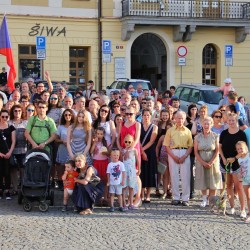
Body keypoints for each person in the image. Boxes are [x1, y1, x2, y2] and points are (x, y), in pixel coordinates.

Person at [219, 112, 247, 217]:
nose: (231, 122)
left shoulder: (241, 134)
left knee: (239, 187)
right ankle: (232, 207)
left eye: (233, 121)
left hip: (237, 164)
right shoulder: (224, 133)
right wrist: (223, 158)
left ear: (236, 121)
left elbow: (244, 151)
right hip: (225, 163)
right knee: (229, 186)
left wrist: (234, 158)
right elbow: (220, 147)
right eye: (229, 120)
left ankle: (243, 209)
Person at [164, 111, 193, 206]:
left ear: (184, 119)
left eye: (182, 118)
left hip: (185, 152)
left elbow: (190, 146)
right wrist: (173, 156)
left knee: (186, 176)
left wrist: (184, 156)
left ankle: (185, 198)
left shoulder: (188, 131)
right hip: (173, 152)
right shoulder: (170, 131)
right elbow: (167, 146)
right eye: (178, 118)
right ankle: (175, 197)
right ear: (175, 119)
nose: (180, 120)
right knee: (174, 176)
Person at [194, 117, 222, 207]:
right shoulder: (197, 137)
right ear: (202, 125)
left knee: (213, 181)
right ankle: (204, 199)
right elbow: (195, 151)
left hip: (213, 160)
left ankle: (213, 201)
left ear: (211, 124)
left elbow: (217, 150)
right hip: (201, 159)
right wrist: (202, 162)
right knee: (203, 180)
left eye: (208, 124)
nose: (206, 126)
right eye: (204, 124)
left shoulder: (215, 135)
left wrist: (211, 161)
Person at [117, 106, 142, 206]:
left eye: (130, 114)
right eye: (127, 114)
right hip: (123, 151)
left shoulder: (137, 124)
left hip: (133, 151)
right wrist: (120, 149)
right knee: (125, 175)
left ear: (135, 113)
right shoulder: (122, 123)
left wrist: (128, 149)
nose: (128, 116)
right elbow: (118, 138)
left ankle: (137, 197)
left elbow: (136, 139)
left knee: (135, 174)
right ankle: (127, 199)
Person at [9, 104, 28, 194]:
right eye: (15, 111)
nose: (17, 113)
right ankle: (15, 188)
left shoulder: (25, 123)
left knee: (23, 168)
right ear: (12, 112)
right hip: (11, 149)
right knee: (13, 168)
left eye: (19, 111)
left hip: (23, 149)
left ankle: (23, 187)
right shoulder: (9, 122)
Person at [140, 108, 158, 203]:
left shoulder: (154, 127)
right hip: (140, 151)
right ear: (142, 116)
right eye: (144, 115)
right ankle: (141, 194)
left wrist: (142, 150)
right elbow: (137, 140)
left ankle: (148, 195)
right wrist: (141, 152)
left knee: (150, 172)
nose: (146, 117)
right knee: (142, 172)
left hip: (150, 152)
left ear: (151, 116)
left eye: (148, 115)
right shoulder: (139, 125)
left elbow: (151, 141)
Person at [55, 109, 75, 189]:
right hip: (62, 147)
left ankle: (70, 182)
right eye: (66, 115)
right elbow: (56, 139)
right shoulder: (60, 126)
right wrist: (62, 141)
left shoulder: (74, 126)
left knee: (71, 166)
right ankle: (60, 182)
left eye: (69, 115)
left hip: (72, 147)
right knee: (61, 166)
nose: (67, 116)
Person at [90, 127, 109, 204]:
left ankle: (105, 197)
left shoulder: (106, 142)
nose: (99, 135)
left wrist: (106, 152)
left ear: (103, 134)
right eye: (98, 134)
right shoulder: (94, 142)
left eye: (101, 134)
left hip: (104, 162)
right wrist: (94, 143)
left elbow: (109, 153)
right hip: (96, 162)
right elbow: (91, 151)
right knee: (95, 180)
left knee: (105, 180)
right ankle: (97, 198)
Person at [0, 110, 16, 200]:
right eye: (3, 116)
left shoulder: (11, 127)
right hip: (0, 153)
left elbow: (13, 141)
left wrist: (10, 152)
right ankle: (0, 190)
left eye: (6, 117)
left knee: (7, 172)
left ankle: (7, 190)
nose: (4, 118)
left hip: (8, 152)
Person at [122, 134, 139, 210]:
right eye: (126, 142)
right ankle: (124, 203)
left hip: (132, 171)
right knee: (124, 187)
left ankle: (131, 203)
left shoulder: (134, 150)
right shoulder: (122, 150)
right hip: (125, 171)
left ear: (132, 142)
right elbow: (121, 160)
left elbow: (138, 160)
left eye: (129, 142)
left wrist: (139, 169)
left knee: (131, 187)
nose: (127, 143)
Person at [236, 141, 250, 222]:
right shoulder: (239, 160)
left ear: (245, 148)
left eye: (241, 148)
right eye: (238, 149)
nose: (240, 150)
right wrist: (240, 176)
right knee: (248, 197)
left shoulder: (249, 155)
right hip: (245, 179)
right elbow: (241, 168)